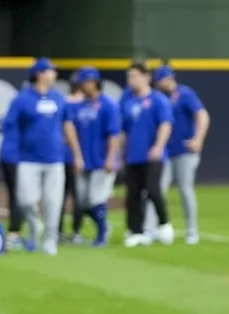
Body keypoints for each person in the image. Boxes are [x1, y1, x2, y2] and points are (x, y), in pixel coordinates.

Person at [2, 57, 76, 256]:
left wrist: (76, 152)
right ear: (40, 74)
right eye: (51, 71)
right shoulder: (22, 99)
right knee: (25, 200)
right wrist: (13, 152)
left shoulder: (59, 98)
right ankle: (35, 224)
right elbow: (11, 126)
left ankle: (50, 240)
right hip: (28, 159)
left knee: (53, 201)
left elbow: (67, 125)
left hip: (55, 159)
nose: (55, 74)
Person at [145, 65, 209, 244]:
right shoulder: (158, 98)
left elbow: (202, 116)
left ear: (169, 79)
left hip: (184, 151)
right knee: (157, 190)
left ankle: (192, 231)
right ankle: (150, 229)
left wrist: (198, 139)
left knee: (185, 190)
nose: (159, 84)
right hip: (164, 152)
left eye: (161, 80)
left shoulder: (184, 94)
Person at [63, 66, 122, 247]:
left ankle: (102, 233)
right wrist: (77, 156)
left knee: (96, 198)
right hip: (84, 160)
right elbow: (71, 131)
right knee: (81, 201)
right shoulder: (78, 106)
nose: (82, 86)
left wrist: (112, 158)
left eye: (85, 82)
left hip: (101, 160)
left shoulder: (108, 105)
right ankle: (102, 226)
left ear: (94, 82)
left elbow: (114, 134)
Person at [119, 62, 174, 248]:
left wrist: (158, 146)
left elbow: (165, 124)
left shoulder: (158, 100)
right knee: (133, 195)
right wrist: (122, 152)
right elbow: (123, 131)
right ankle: (136, 231)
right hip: (133, 155)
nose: (131, 80)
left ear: (146, 77)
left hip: (152, 155)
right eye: (129, 76)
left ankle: (164, 223)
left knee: (153, 190)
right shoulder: (126, 102)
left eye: (134, 76)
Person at [0, 107, 23, 245]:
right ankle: (14, 233)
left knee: (14, 194)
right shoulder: (23, 116)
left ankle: (14, 231)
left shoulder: (11, 115)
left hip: (5, 157)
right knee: (19, 196)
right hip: (17, 157)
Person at [59, 80, 84, 243]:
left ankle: (57, 231)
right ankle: (75, 231)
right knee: (79, 196)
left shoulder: (61, 102)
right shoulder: (86, 105)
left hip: (61, 157)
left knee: (60, 196)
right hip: (77, 156)